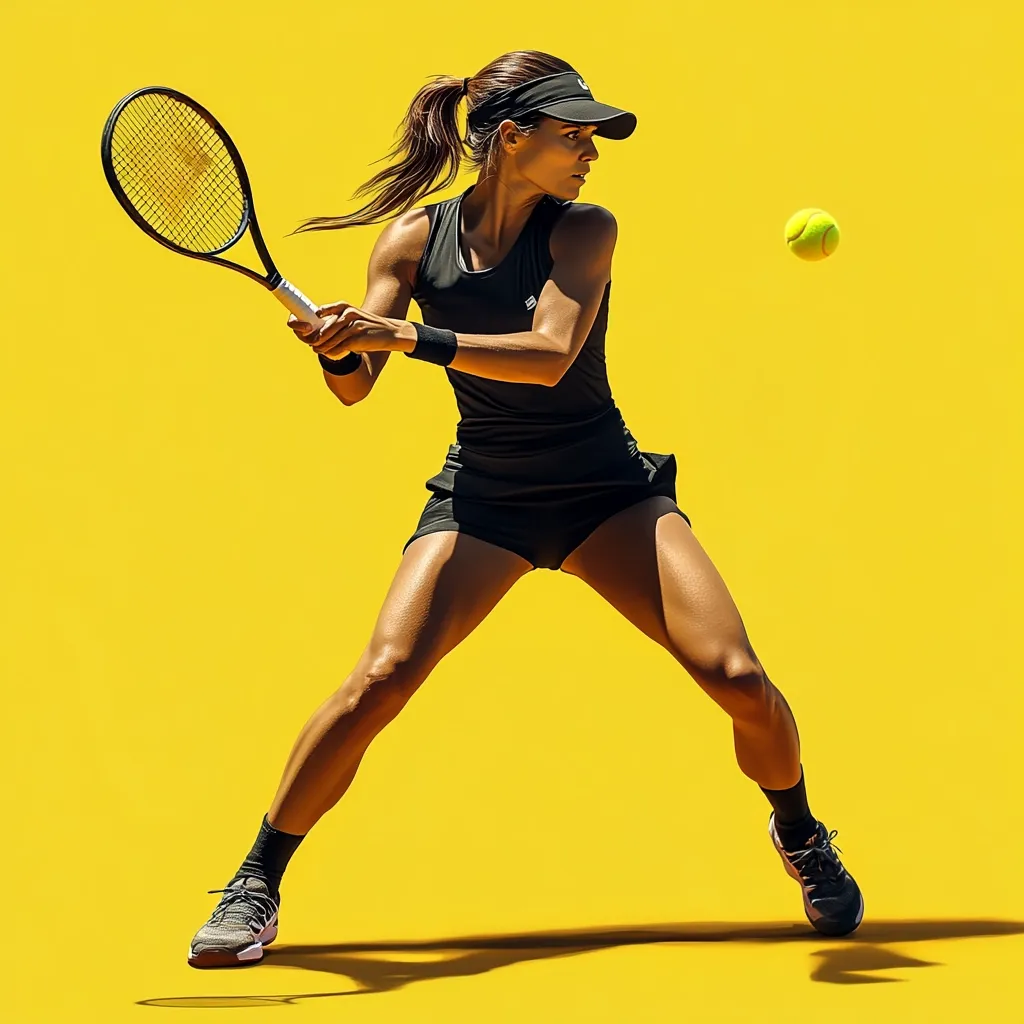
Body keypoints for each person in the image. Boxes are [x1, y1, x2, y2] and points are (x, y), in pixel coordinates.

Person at [188, 49, 863, 969]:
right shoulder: (409, 244)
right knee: (381, 678)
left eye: (593, 136)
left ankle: (800, 828)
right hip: (486, 497)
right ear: (512, 138)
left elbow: (547, 354)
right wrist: (337, 347)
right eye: (573, 134)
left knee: (738, 678)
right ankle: (255, 880)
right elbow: (356, 390)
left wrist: (401, 331)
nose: (590, 151)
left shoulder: (585, 230)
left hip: (605, 492)